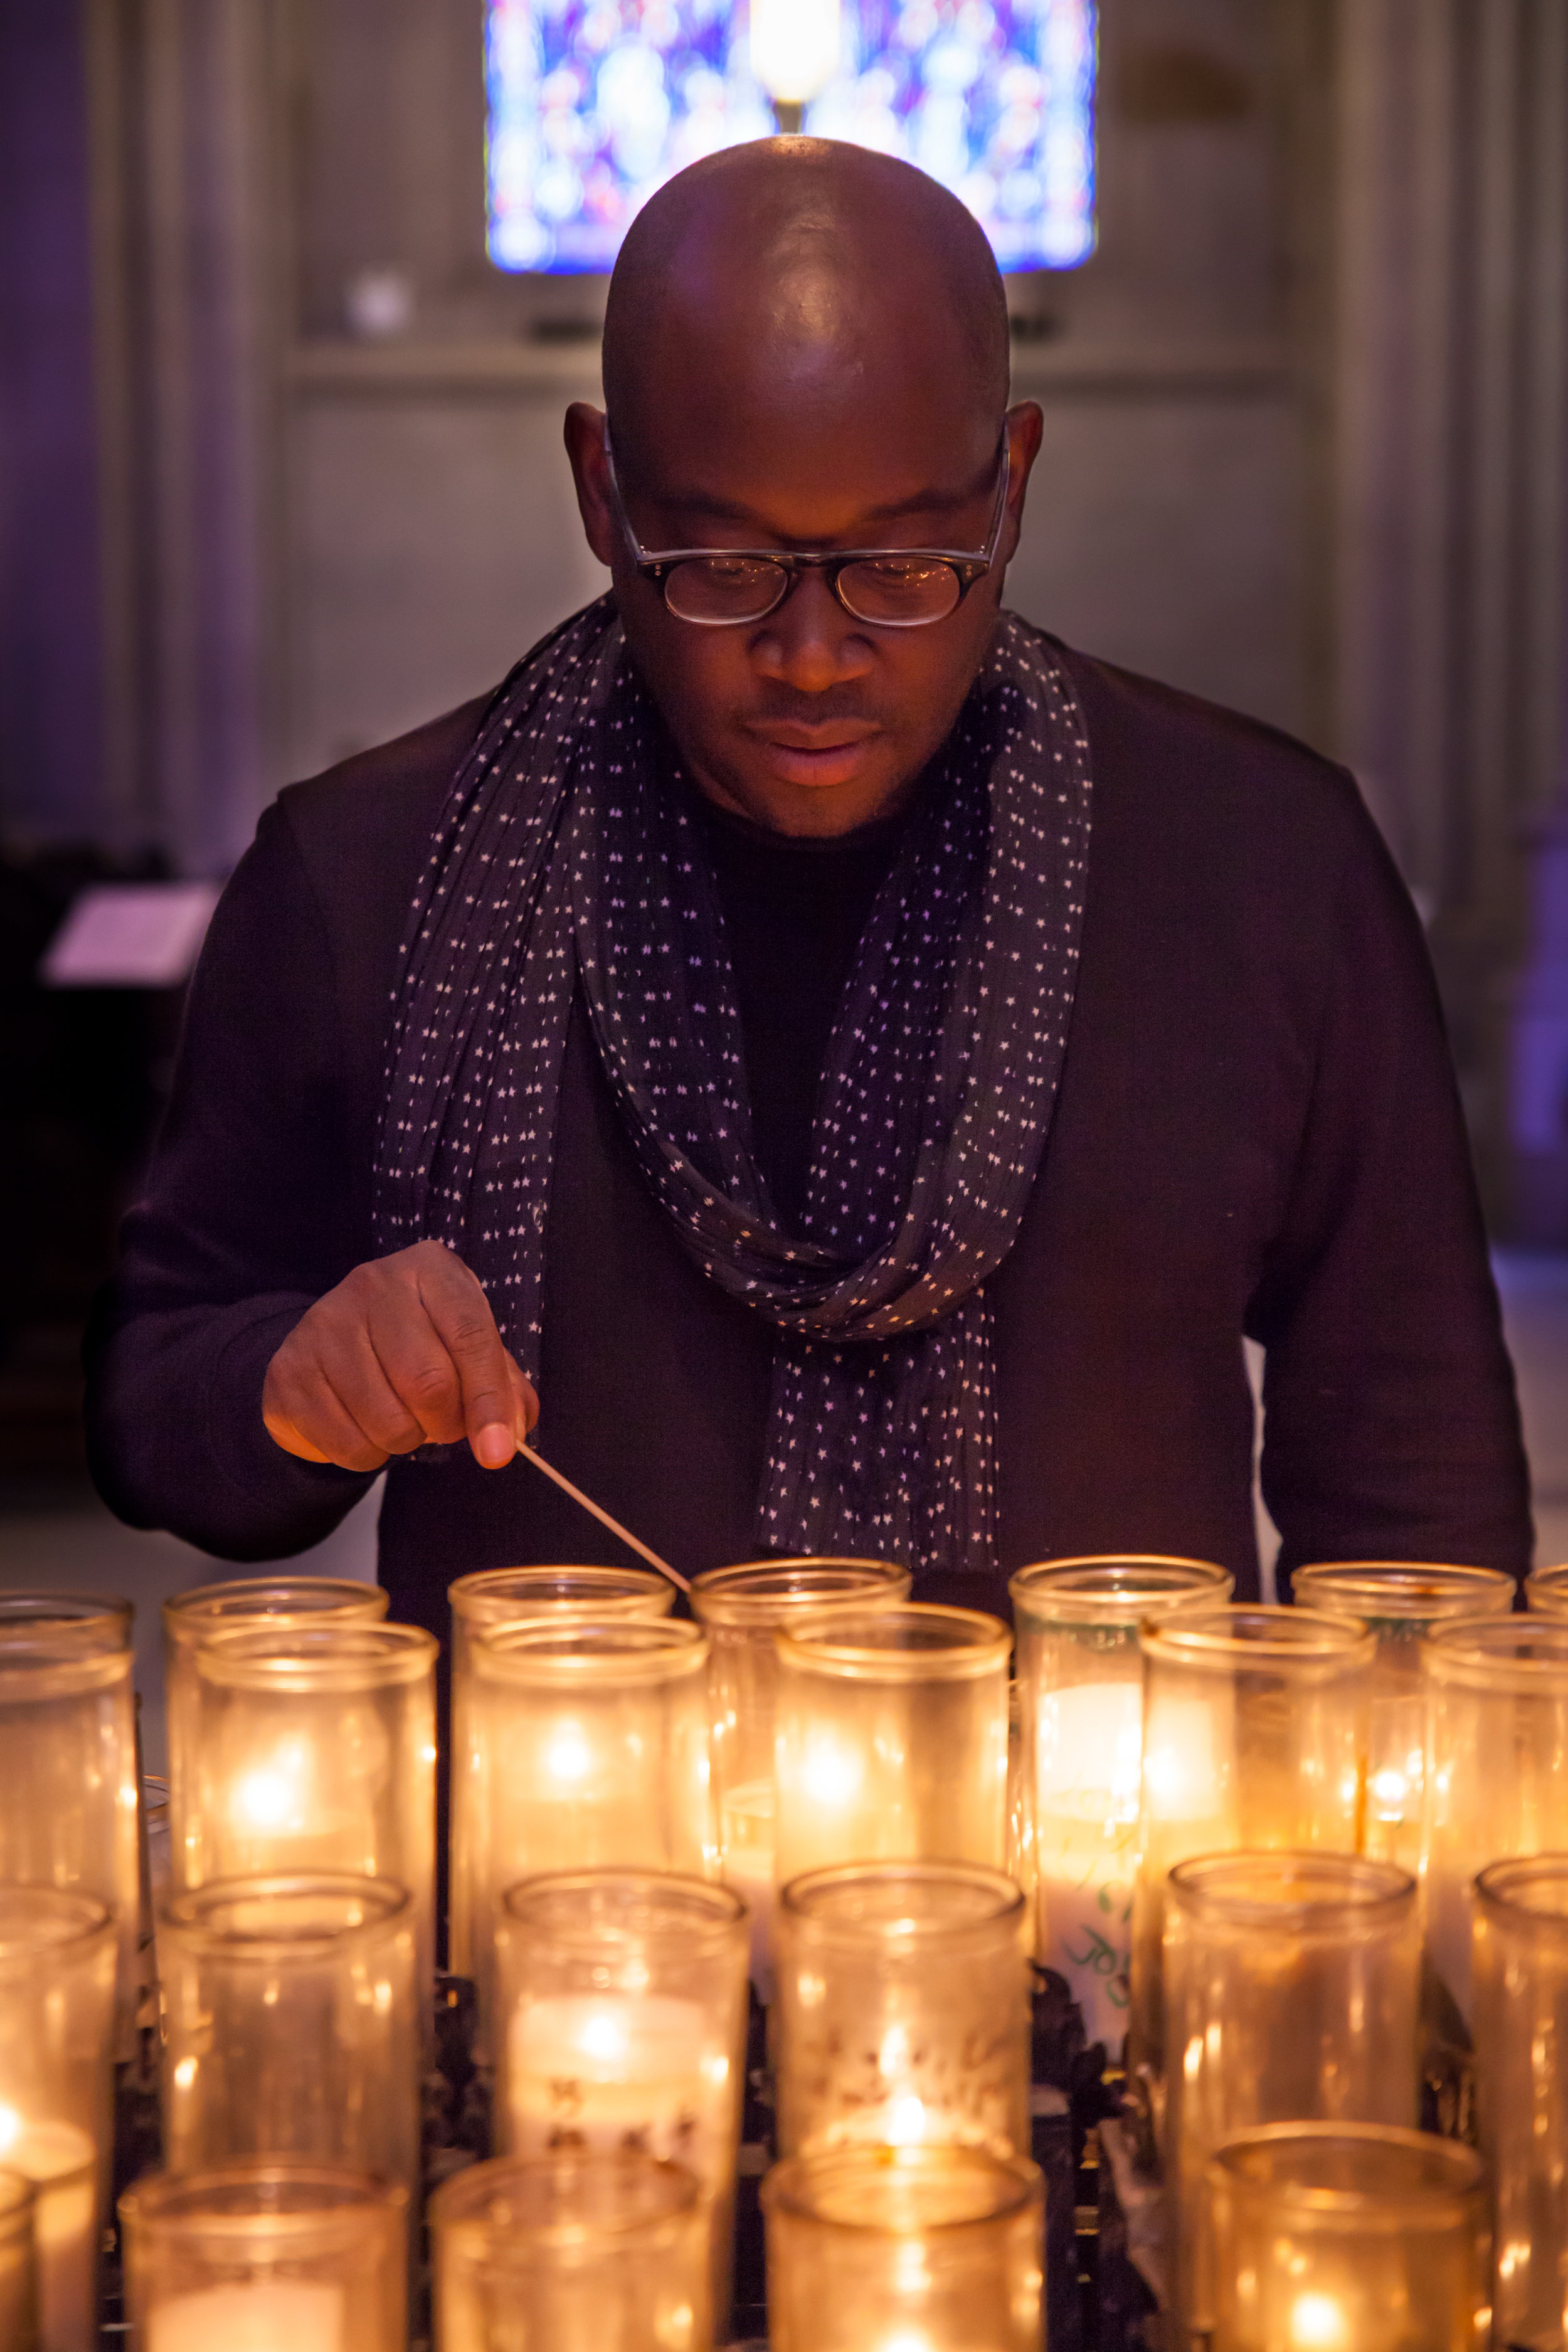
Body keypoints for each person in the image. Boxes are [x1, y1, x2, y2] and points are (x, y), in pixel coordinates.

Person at [86, 139, 1532, 1648]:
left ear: (1013, 482)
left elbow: (1409, 1485)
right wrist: (292, 1382)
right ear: (600, 487)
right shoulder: (368, 875)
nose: (812, 655)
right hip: (565, 1860)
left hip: (1108, 1866)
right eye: (719, 563)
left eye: (904, 567)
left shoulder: (1257, 865)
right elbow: (155, 1399)